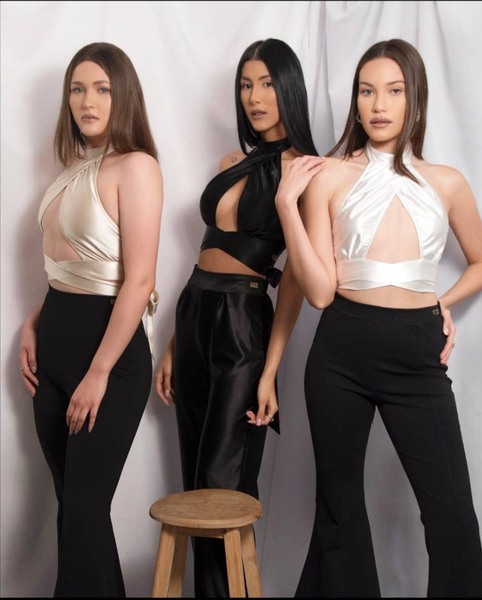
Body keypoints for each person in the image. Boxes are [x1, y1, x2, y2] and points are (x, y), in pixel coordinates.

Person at [274, 38, 482, 597]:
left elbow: (481, 260)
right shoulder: (330, 176)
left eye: (394, 90)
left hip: (416, 351)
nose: (379, 104)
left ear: (415, 98)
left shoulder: (447, 182)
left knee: (454, 517)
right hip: (341, 350)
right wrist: (286, 207)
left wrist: (443, 302)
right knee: (338, 510)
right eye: (367, 91)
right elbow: (319, 293)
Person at [154, 38, 318, 597]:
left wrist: (270, 372)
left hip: (245, 319)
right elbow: (204, 252)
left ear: (288, 88)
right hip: (194, 313)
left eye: (267, 83)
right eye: (246, 85)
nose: (254, 96)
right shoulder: (231, 163)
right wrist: (174, 341)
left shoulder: (304, 171)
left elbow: (293, 281)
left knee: (222, 484)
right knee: (195, 483)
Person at [18, 42, 163, 597]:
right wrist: (32, 322)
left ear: (123, 95)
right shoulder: (73, 169)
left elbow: (139, 280)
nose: (87, 100)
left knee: (83, 511)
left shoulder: (137, 167)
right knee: (74, 514)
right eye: (77, 89)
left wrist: (99, 372)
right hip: (53, 352)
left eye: (101, 88)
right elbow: (68, 269)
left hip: (109, 361)